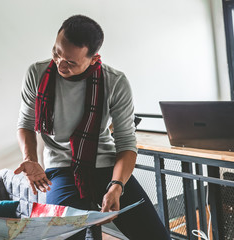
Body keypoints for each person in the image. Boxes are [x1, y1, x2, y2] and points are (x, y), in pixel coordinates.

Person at [15, 15, 171, 239]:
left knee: (155, 235)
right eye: (56, 52)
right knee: (64, 235)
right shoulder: (36, 74)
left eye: (71, 62)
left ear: (93, 58)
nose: (60, 63)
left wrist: (117, 185)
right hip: (61, 169)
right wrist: (30, 158)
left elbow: (126, 143)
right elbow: (26, 123)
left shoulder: (115, 82)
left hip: (106, 166)